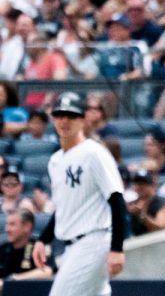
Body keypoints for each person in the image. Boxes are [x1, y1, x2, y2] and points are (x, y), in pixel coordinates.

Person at [32, 92, 127, 295]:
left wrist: (117, 249)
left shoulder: (94, 152)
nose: (65, 121)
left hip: (93, 241)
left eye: (71, 115)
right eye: (60, 115)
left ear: (82, 119)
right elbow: (63, 207)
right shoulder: (55, 160)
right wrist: (42, 239)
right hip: (72, 246)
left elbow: (117, 199)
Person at [0, 209, 54, 285]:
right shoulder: (2, 248)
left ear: (27, 227)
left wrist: (13, 280)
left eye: (12, 224)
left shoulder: (38, 247)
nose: (7, 229)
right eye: (7, 224)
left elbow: (47, 271)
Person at [126, 169, 165, 237]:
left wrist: (142, 216)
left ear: (152, 185)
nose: (140, 186)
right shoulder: (131, 204)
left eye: (144, 183)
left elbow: (161, 230)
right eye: (137, 183)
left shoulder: (163, 204)